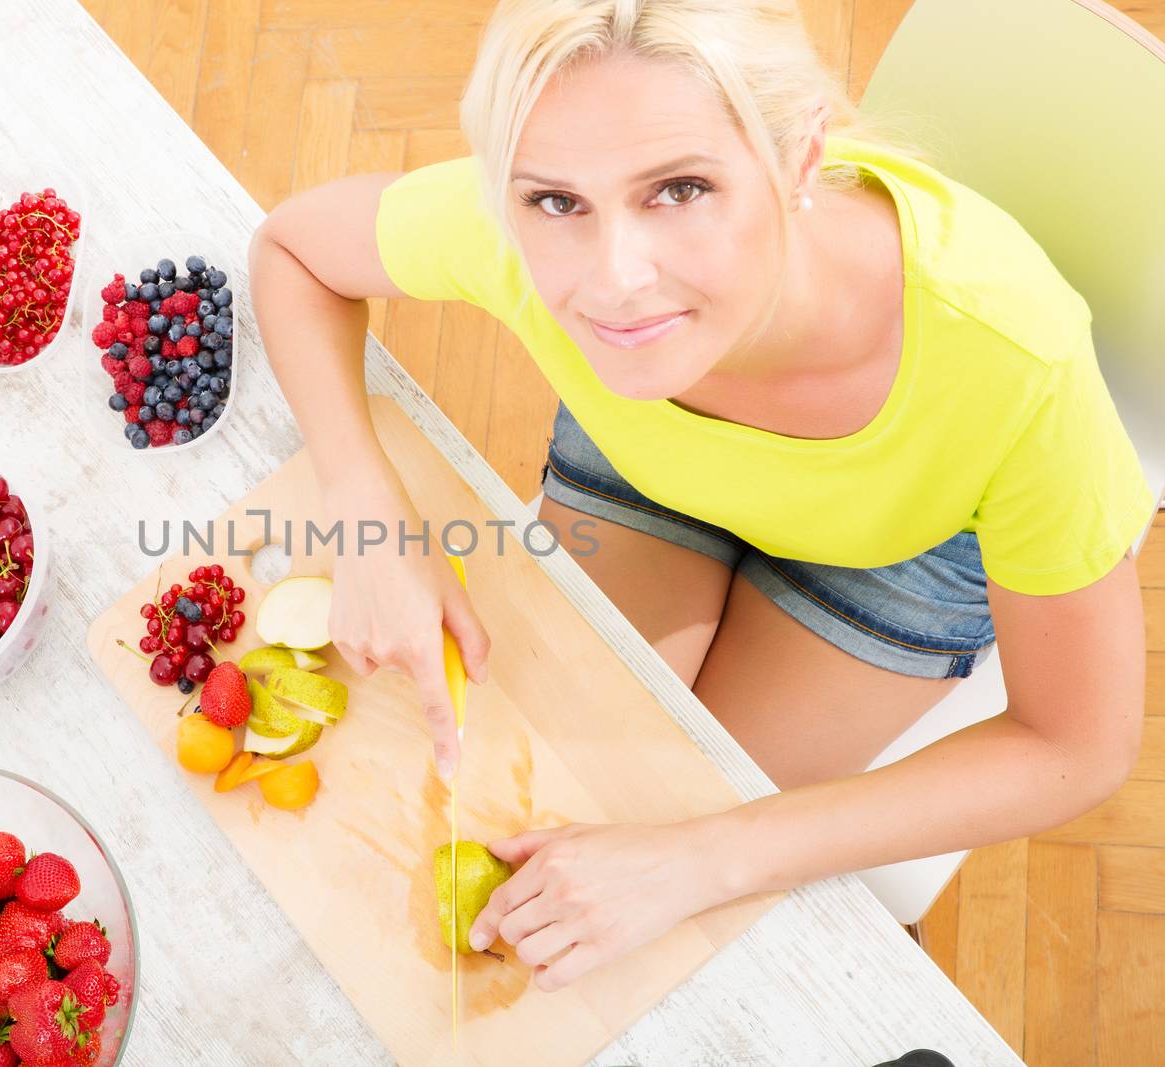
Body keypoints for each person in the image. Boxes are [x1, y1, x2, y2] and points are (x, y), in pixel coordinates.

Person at [248, 0, 1153, 992]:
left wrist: (705, 854)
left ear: (800, 156)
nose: (616, 277)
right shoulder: (529, 237)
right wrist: (369, 519)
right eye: (555, 201)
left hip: (904, 542)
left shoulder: (1013, 363)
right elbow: (293, 252)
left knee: (658, 820)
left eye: (678, 189)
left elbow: (1076, 743)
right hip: (652, 454)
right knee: (531, 779)